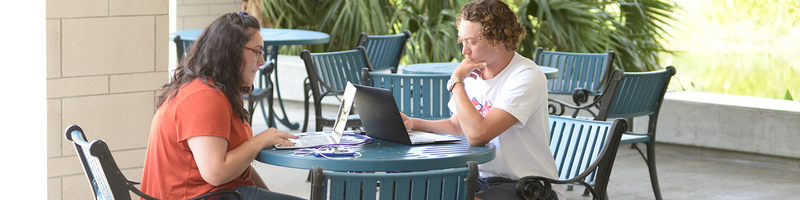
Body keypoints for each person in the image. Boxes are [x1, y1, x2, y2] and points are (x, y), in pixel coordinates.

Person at [400, 0, 564, 199]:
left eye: (473, 42)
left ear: (500, 38)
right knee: (415, 189)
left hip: (527, 184)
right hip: (479, 177)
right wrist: (414, 123)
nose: (464, 51)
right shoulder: (474, 73)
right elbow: (458, 126)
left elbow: (478, 135)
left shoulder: (526, 76)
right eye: (462, 41)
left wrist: (457, 81)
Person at [140, 11, 304, 200]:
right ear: (232, 52)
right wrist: (260, 140)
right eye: (257, 51)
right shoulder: (204, 97)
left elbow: (240, 171)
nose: (262, 61)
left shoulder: (213, 90)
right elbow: (216, 173)